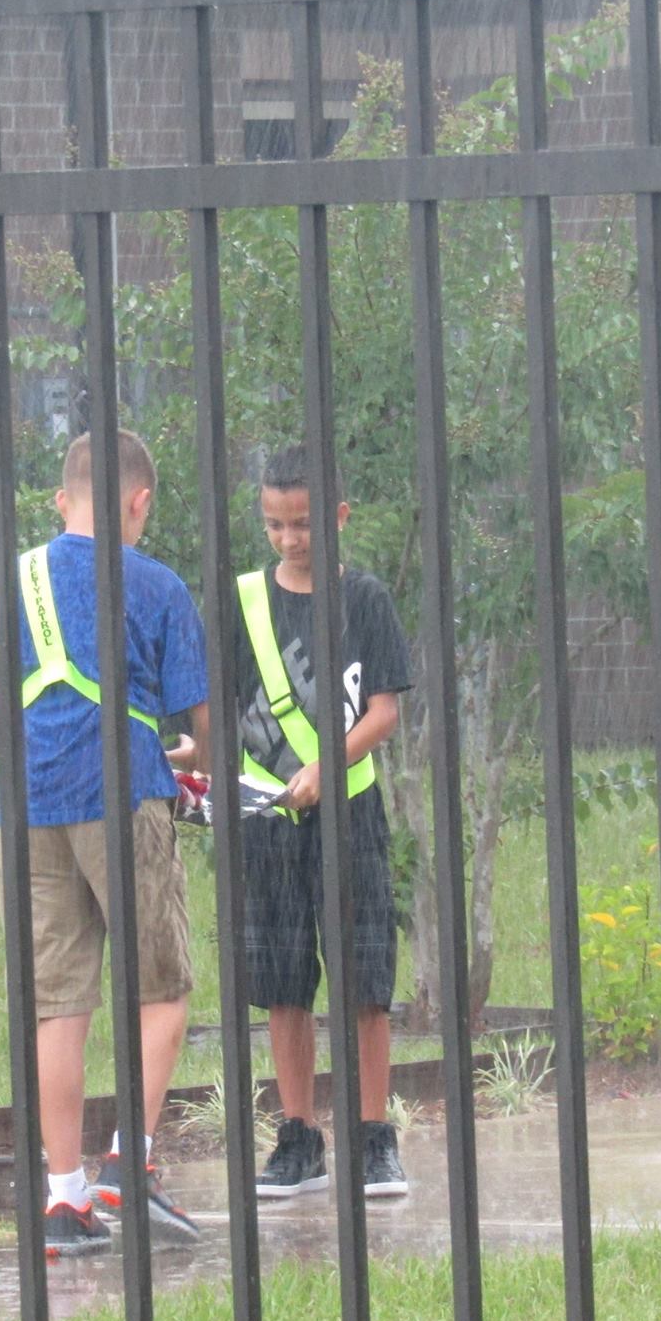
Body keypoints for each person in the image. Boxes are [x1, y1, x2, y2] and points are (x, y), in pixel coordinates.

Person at [0, 429, 211, 1259]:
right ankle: (127, 1169)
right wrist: (184, 758)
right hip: (123, 796)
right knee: (162, 987)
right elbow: (202, 731)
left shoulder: (16, 578)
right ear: (140, 502)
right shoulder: (159, 586)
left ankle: (63, 1201)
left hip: (29, 809)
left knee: (57, 1004)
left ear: (61, 500)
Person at [233, 445, 414, 1200]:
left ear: (337, 518)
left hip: (351, 807)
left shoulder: (364, 600)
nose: (289, 539)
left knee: (364, 975)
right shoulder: (245, 603)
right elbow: (222, 714)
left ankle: (376, 1139)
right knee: (282, 979)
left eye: (303, 523)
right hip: (269, 817)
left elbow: (385, 711)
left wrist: (326, 769)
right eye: (275, 524)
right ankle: (299, 1137)